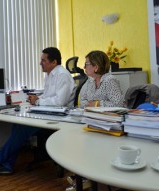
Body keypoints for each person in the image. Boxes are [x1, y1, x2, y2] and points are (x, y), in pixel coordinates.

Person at [0, 47, 75, 175]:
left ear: (54, 62)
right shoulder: (50, 76)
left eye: (43, 60)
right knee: (18, 124)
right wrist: (36, 98)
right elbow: (47, 96)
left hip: (61, 118)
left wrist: (38, 101)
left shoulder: (62, 75)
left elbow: (59, 101)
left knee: (22, 128)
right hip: (49, 113)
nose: (40, 63)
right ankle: (7, 165)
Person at [66, 50, 124, 191]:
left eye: (87, 64)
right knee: (77, 138)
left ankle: (88, 177)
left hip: (109, 124)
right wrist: (93, 104)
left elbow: (119, 105)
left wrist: (97, 104)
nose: (84, 68)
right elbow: (83, 101)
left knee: (89, 142)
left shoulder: (110, 81)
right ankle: (84, 175)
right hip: (93, 120)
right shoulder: (89, 82)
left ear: (96, 67)